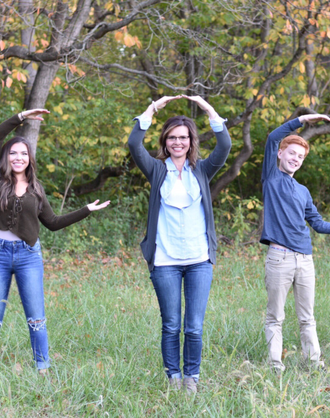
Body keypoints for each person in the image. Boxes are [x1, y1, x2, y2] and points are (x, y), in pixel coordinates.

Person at [0, 109, 110, 374]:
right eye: (13, 152)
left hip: (29, 256)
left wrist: (85, 210)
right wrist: (20, 117)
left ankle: (43, 368)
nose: (18, 157)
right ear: (7, 156)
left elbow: (53, 223)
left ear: (30, 159)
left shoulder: (36, 190)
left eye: (23, 153)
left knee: (36, 319)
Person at [128, 95, 231, 393]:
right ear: (165, 141)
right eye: (172, 137)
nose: (178, 142)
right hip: (165, 260)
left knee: (194, 326)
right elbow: (135, 144)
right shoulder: (157, 169)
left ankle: (191, 379)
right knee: (171, 324)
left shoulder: (202, 169)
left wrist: (208, 108)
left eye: (183, 137)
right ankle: (172, 377)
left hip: (199, 259)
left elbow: (224, 146)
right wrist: (152, 109)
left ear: (191, 141)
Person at [260, 113, 330, 372]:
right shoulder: (271, 177)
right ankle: (275, 366)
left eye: (300, 157)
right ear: (280, 154)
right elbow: (271, 137)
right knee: (275, 317)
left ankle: (313, 363)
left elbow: (319, 224)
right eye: (291, 154)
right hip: (279, 258)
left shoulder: (303, 191)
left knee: (307, 318)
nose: (295, 159)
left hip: (305, 260)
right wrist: (301, 119)